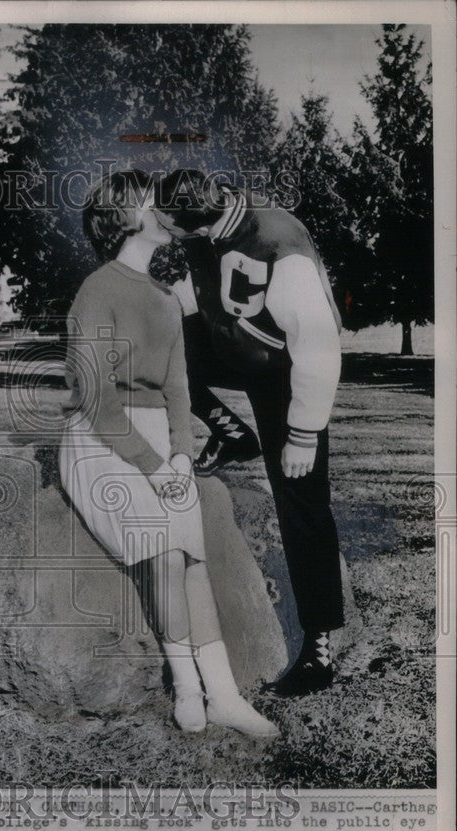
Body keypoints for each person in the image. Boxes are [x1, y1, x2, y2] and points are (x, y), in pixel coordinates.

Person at [58, 169, 277, 737]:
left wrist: (181, 454)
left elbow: (179, 389)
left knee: (193, 559)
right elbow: (95, 398)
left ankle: (225, 697)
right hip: (100, 441)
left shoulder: (163, 296)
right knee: (164, 549)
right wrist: (154, 467)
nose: (166, 207)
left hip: (159, 443)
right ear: (124, 218)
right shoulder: (96, 290)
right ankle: (188, 689)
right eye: (151, 200)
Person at [154, 169, 344, 698]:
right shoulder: (207, 229)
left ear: (195, 221)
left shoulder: (278, 243)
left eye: (171, 224)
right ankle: (233, 436)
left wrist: (303, 433)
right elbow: (199, 294)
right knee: (163, 351)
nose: (163, 228)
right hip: (240, 350)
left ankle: (319, 646)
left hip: (289, 371)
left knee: (299, 499)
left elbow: (319, 345)